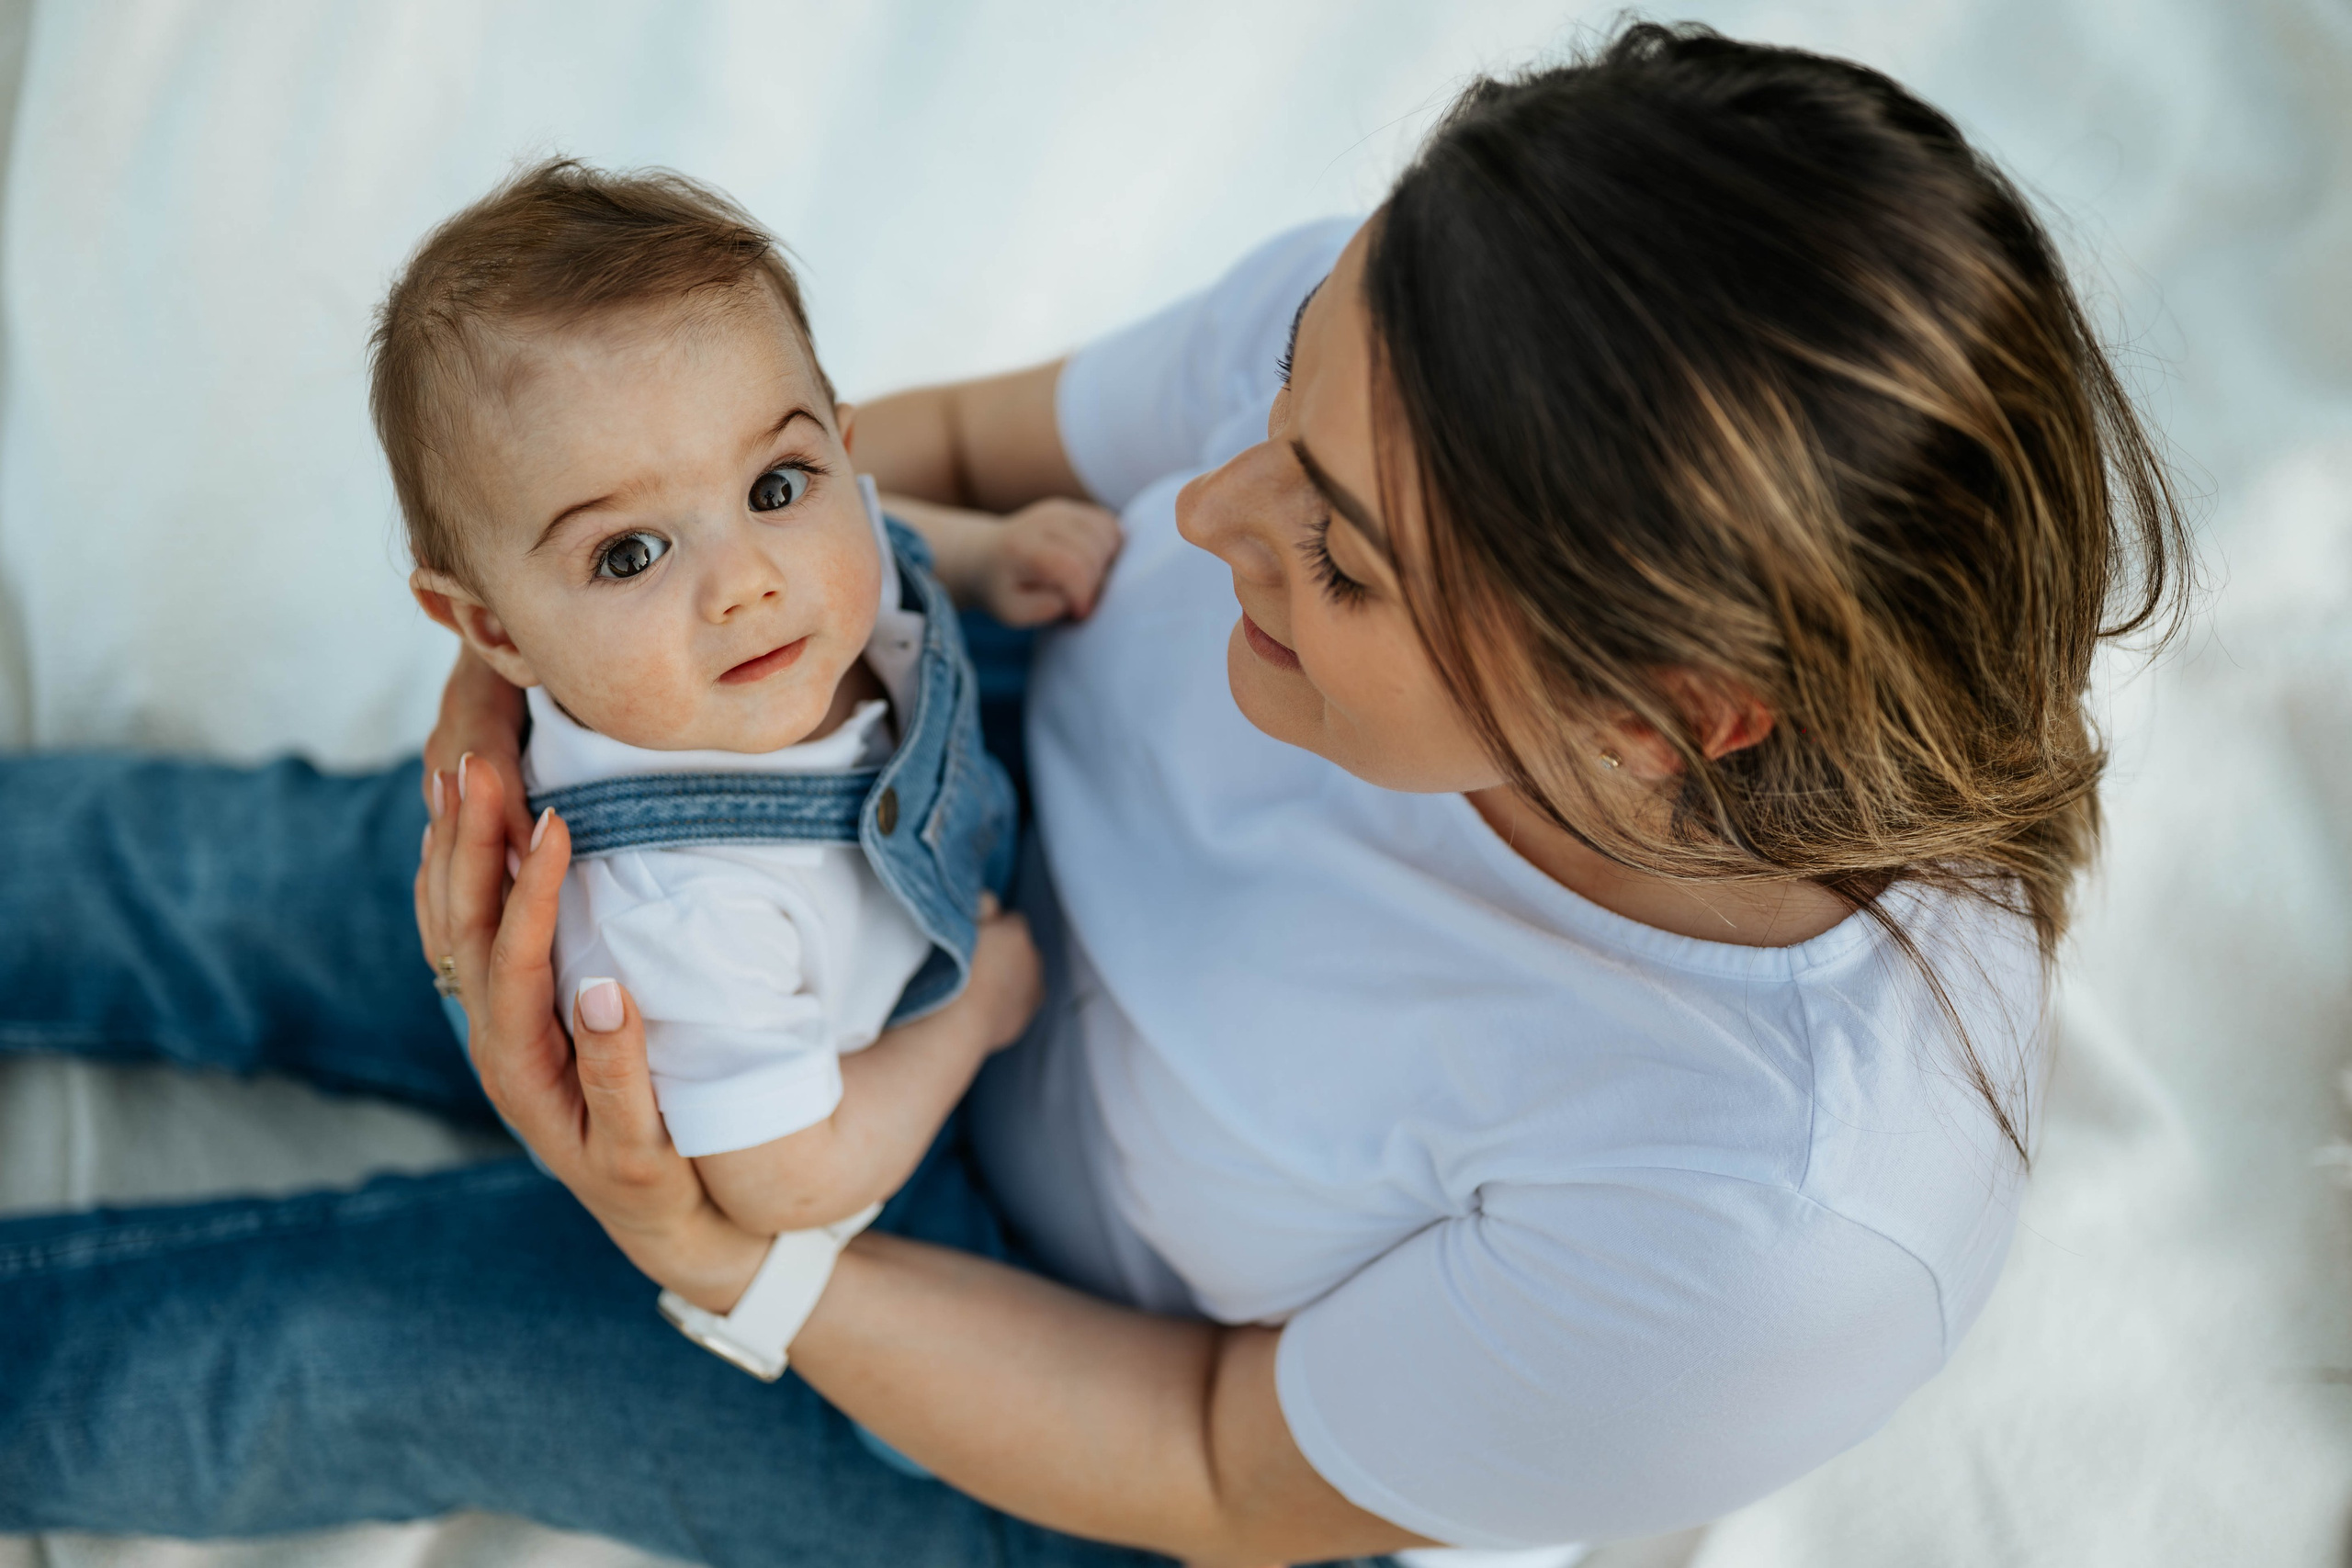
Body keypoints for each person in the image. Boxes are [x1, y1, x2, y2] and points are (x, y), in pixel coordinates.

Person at [0, 24, 2184, 1568]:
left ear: (1659, 721)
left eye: (1330, 552)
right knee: (176, 876)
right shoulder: (1434, 341)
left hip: (1046, 1348)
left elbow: (1214, 1462)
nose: (1199, 503)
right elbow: (909, 453)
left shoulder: (1762, 1221)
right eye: (1287, 401)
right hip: (896, 791)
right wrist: (576, 652)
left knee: (314, 1347)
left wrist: (727, 1264)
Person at [369, 160, 1116, 1260]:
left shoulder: (812, 559)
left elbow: (869, 522)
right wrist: (973, 1016)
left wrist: (983, 554)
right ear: (494, 633)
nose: (746, 581)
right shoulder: (683, 917)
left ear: (838, 447)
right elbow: (787, 1179)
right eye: (629, 554)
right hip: (839, 1132)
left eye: (775, 485)